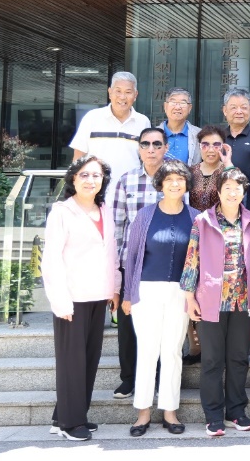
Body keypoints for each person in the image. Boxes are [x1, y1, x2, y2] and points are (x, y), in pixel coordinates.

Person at [42, 156, 121, 441]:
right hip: (72, 298)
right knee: (71, 362)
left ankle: (65, 415)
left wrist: (115, 288)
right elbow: (51, 259)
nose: (91, 180)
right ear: (73, 179)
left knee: (88, 360)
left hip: (98, 296)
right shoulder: (62, 212)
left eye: (96, 175)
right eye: (84, 175)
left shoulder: (105, 210)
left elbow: (112, 252)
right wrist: (60, 300)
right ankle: (70, 424)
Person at [121, 160, 200, 437]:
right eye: (169, 180)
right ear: (160, 185)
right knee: (147, 350)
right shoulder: (145, 215)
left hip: (181, 292)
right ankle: (142, 412)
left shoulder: (195, 217)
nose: (175, 184)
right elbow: (132, 257)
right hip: (146, 290)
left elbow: (199, 259)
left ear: (187, 184)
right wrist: (128, 294)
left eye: (180, 179)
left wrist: (196, 296)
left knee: (173, 351)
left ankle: (169, 411)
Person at [180, 167, 250, 437]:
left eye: (238, 188)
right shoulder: (203, 221)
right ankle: (213, 415)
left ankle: (236, 411)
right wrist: (189, 297)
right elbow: (192, 259)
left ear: (243, 192)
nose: (233, 193)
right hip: (211, 300)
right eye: (227, 188)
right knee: (212, 360)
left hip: (241, 302)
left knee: (238, 359)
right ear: (219, 191)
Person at [109, 127, 166, 400]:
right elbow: (117, 226)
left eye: (157, 144)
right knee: (128, 325)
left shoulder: (175, 178)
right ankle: (128, 379)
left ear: (166, 148)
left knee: (163, 326)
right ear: (139, 148)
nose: (151, 149)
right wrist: (117, 267)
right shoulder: (126, 180)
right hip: (132, 263)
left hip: (165, 264)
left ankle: (160, 379)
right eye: (145, 144)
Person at [69, 70, 151, 202]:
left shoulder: (143, 122)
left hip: (131, 193)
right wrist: (76, 189)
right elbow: (79, 156)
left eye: (128, 92)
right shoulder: (92, 117)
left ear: (135, 95)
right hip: (95, 193)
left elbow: (146, 159)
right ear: (110, 92)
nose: (122, 97)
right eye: (118, 91)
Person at [189, 125, 227, 212]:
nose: (210, 150)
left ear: (223, 147)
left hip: (221, 220)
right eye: (205, 145)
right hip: (193, 219)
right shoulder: (190, 172)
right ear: (199, 146)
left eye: (216, 145)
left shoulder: (229, 171)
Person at [159, 88, 200, 165]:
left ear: (189, 108)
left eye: (183, 103)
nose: (177, 107)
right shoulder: (153, 134)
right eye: (173, 102)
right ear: (165, 106)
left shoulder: (199, 135)